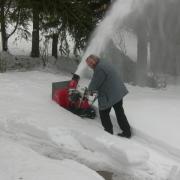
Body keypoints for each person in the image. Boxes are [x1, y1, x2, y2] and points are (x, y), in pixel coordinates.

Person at [86, 54, 131, 138]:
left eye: (89, 64)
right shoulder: (104, 62)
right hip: (118, 91)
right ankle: (127, 132)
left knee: (103, 112)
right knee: (119, 112)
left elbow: (94, 85)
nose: (89, 66)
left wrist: (87, 96)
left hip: (110, 94)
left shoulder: (99, 69)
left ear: (93, 62)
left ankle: (108, 132)